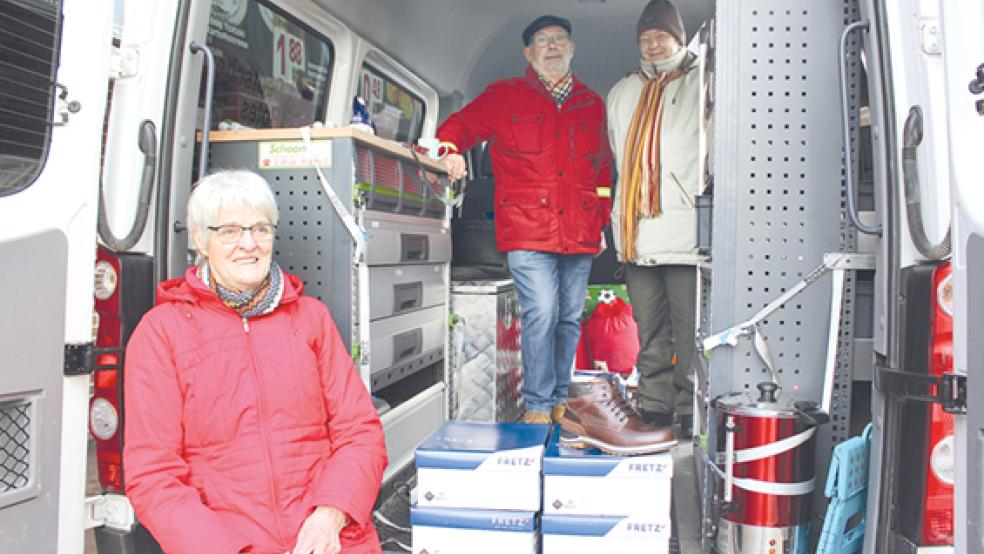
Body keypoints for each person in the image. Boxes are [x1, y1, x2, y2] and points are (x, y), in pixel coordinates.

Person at [123, 170, 387, 554]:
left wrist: (332, 514)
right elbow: (153, 476)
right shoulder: (161, 333)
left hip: (330, 539)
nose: (249, 244)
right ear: (200, 239)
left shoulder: (311, 318)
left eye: (261, 229)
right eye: (229, 231)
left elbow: (360, 432)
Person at [436, 15, 612, 424]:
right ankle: (535, 405)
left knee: (569, 317)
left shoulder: (591, 103)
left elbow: (602, 171)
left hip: (581, 231)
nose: (551, 46)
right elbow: (459, 125)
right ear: (528, 53)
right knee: (543, 312)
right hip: (528, 231)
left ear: (571, 49)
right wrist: (450, 149)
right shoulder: (505, 96)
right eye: (542, 41)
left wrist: (600, 220)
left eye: (559, 39)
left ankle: (557, 399)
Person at [606, 0, 705, 437]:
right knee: (649, 327)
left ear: (679, 39)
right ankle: (655, 405)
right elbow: (616, 154)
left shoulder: (703, 80)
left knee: (690, 330)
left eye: (660, 36)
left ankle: (688, 408)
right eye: (645, 39)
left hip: (684, 227)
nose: (652, 45)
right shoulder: (623, 91)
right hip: (638, 233)